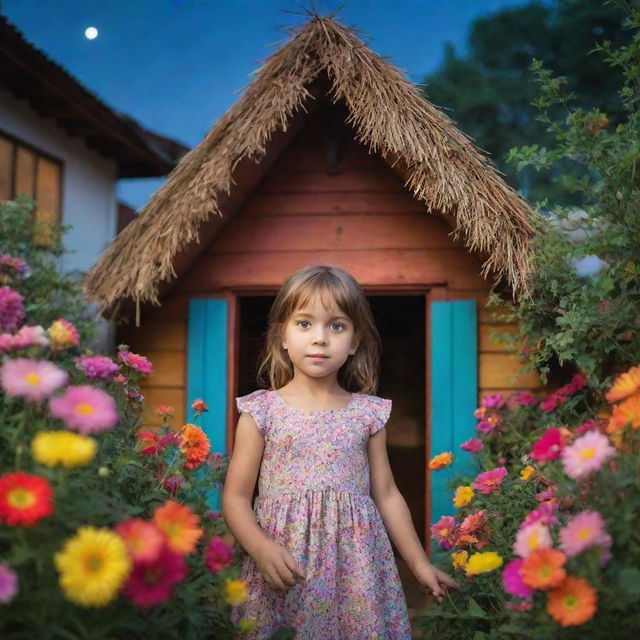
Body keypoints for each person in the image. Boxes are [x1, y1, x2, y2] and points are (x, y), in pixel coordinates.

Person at [222, 264, 457, 638]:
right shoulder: (260, 412)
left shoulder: (368, 414)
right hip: (284, 566)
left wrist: (419, 564)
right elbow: (235, 497)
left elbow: (387, 494)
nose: (320, 338)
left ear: (355, 341)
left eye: (336, 326)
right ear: (282, 336)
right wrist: (261, 549)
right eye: (304, 323)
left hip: (356, 572)